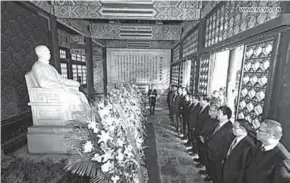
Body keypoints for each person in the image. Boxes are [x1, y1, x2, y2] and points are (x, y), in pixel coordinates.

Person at [31, 45, 89, 111]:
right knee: (75, 98)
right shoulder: (38, 66)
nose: (49, 53)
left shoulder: (50, 67)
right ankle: (77, 118)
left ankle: (87, 116)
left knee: (81, 94)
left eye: (49, 51)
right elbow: (43, 83)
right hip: (52, 92)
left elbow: (60, 79)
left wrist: (74, 83)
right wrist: (61, 86)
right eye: (46, 51)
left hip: (59, 90)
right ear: (39, 53)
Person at [222, 119, 256, 183]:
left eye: (235, 127)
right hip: (228, 174)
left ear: (243, 129)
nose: (232, 129)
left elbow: (243, 169)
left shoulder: (248, 145)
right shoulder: (234, 137)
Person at [207, 106, 235, 183]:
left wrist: (223, 159)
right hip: (214, 155)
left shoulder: (229, 128)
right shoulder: (219, 124)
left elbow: (227, 146)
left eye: (219, 113)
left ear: (225, 116)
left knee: (219, 177)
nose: (217, 115)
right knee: (215, 175)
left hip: (220, 158)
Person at [198, 104, 220, 181]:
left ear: (216, 112)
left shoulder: (217, 122)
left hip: (209, 143)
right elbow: (204, 127)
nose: (209, 112)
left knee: (210, 161)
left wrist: (205, 139)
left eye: (211, 111)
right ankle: (207, 171)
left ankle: (210, 175)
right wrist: (201, 135)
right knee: (206, 159)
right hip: (204, 141)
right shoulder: (209, 119)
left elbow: (213, 133)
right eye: (209, 110)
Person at [194, 95, 211, 168]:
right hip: (198, 131)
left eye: (201, 100)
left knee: (202, 148)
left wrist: (202, 134)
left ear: (206, 101)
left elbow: (206, 124)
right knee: (199, 147)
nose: (200, 101)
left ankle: (203, 162)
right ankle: (200, 158)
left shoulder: (208, 110)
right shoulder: (202, 108)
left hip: (202, 132)